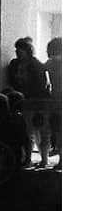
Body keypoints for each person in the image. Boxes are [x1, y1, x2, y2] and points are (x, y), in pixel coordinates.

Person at [7, 37, 51, 167]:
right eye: (17, 50)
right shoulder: (15, 64)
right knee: (29, 131)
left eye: (20, 50)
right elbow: (12, 80)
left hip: (37, 100)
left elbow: (41, 84)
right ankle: (29, 158)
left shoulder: (36, 65)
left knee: (41, 130)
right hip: (24, 100)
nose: (18, 52)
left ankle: (43, 159)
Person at [44, 37, 62, 168]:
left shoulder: (49, 63)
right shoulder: (50, 64)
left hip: (56, 99)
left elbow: (47, 83)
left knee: (60, 131)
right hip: (57, 99)